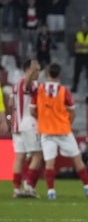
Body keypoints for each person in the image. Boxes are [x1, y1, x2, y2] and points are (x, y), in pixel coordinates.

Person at [30, 62, 88, 200]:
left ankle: (51, 192)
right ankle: (87, 188)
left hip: (46, 131)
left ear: (47, 73)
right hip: (63, 130)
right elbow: (72, 111)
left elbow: (32, 110)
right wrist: (67, 123)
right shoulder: (64, 91)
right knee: (77, 159)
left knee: (50, 162)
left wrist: (43, 119)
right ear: (60, 74)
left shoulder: (39, 89)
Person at [9, 59, 43, 198]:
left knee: (20, 157)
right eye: (36, 70)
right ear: (28, 70)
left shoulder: (15, 85)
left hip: (17, 125)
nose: (38, 73)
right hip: (29, 124)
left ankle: (17, 189)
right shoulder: (29, 83)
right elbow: (27, 86)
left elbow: (11, 103)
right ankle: (29, 186)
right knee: (37, 155)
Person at [72, 19, 88, 95]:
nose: (84, 27)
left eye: (85, 26)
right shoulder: (78, 34)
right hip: (79, 55)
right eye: (83, 26)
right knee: (77, 71)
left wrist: (81, 45)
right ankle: (75, 86)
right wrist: (86, 45)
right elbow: (76, 46)